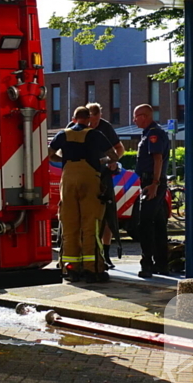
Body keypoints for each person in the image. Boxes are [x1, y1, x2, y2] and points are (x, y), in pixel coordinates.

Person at [49, 106, 119, 283]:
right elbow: (114, 155)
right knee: (91, 224)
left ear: (73, 119)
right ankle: (93, 269)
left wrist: (63, 160)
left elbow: (50, 155)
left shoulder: (62, 134)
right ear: (88, 120)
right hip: (90, 179)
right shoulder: (95, 134)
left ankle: (71, 268)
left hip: (68, 180)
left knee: (70, 225)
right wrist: (102, 160)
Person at [87, 102, 126, 268]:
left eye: (95, 122)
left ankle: (106, 254)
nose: (92, 125)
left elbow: (120, 148)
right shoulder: (77, 125)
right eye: (90, 122)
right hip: (86, 175)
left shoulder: (106, 127)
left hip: (103, 175)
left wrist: (113, 162)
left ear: (100, 117)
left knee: (107, 215)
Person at [133, 103, 170, 278]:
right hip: (151, 181)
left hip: (151, 183)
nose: (134, 120)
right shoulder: (149, 133)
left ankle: (147, 264)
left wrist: (154, 183)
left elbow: (158, 159)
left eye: (136, 116)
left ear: (145, 116)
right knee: (159, 224)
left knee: (145, 223)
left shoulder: (154, 133)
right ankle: (162, 263)